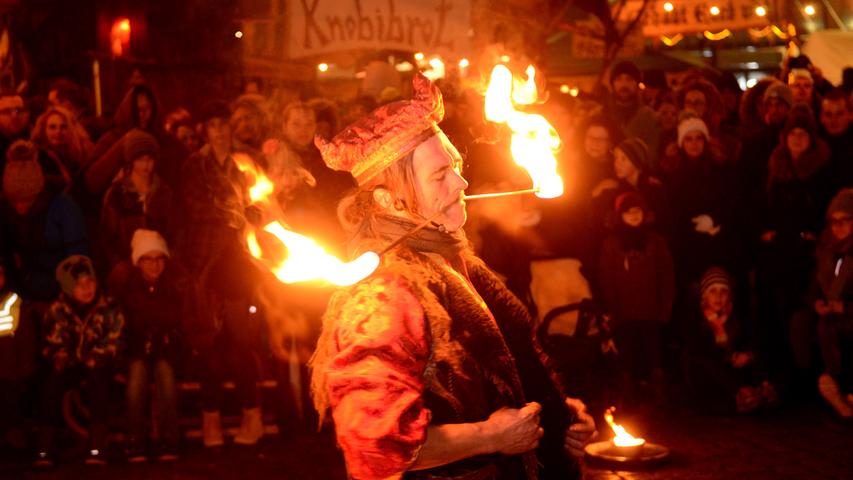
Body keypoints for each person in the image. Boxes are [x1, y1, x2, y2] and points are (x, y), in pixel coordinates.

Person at [310, 73, 595, 480]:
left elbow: (496, 371)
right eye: (439, 176)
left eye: (456, 167)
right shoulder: (383, 295)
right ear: (389, 201)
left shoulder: (448, 256)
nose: (461, 184)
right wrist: (488, 437)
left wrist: (557, 414)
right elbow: (374, 448)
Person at [179, 100, 264, 447]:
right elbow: (194, 207)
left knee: (242, 345)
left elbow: (257, 204)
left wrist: (251, 214)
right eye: (213, 126)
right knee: (208, 347)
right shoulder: (194, 166)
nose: (220, 133)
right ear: (206, 131)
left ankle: (252, 417)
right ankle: (211, 421)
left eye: (224, 126)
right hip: (205, 264)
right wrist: (233, 213)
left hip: (237, 265)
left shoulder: (244, 164)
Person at [108, 230, 190, 462]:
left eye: (158, 258)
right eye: (148, 258)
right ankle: (135, 441)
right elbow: (121, 323)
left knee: (166, 378)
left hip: (165, 348)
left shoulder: (173, 287)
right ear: (138, 262)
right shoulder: (127, 288)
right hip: (135, 349)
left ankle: (169, 440)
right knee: (136, 381)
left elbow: (178, 321)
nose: (154, 264)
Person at [35, 255, 123, 467]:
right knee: (53, 384)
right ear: (68, 288)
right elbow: (51, 342)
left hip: (99, 363)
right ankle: (44, 448)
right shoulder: (58, 310)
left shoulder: (108, 307)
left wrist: (99, 355)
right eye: (79, 284)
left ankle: (97, 446)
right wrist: (62, 357)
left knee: (98, 383)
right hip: (71, 363)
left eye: (90, 282)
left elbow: (116, 338)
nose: (86, 288)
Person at [597, 192, 674, 405]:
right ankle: (628, 395)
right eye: (628, 211)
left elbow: (666, 274)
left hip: (651, 309)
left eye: (637, 210)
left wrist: (665, 307)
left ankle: (659, 395)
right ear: (619, 215)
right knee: (627, 353)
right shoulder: (612, 243)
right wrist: (611, 309)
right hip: (624, 311)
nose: (633, 215)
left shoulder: (655, 241)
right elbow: (606, 277)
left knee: (654, 352)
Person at [0, 141, 88, 303]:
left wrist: (69, 288)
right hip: (21, 283)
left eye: (27, 200)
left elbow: (77, 254)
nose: (21, 207)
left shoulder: (63, 208)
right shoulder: (4, 210)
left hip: (59, 284)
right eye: (15, 201)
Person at [791, 189, 853, 418]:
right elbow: (815, 287)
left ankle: (840, 385)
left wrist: (844, 307)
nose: (838, 227)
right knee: (812, 323)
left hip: (848, 312)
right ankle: (831, 386)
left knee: (832, 326)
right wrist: (816, 302)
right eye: (834, 221)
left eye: (844, 220)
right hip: (833, 311)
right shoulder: (826, 251)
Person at [685, 267, 775, 413]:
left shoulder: (738, 318)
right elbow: (700, 351)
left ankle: (763, 388)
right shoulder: (696, 321)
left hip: (734, 370)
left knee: (760, 352)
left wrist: (747, 356)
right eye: (713, 291)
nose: (718, 296)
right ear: (704, 296)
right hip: (712, 377)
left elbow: (752, 341)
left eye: (723, 291)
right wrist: (729, 358)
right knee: (704, 362)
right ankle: (740, 395)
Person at [100, 129, 174, 270]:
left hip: (158, 265)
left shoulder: (164, 193)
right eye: (140, 159)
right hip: (127, 265)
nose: (146, 164)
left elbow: (174, 231)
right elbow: (107, 237)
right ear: (131, 160)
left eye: (150, 159)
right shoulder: (117, 194)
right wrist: (118, 264)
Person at [608, 60, 661, 171]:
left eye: (629, 79)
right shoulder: (602, 115)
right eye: (619, 79)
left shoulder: (650, 117)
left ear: (637, 83)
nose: (624, 85)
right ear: (612, 84)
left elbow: (652, 157)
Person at [30, 105, 94, 182]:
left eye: (63, 127)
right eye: (52, 127)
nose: (58, 132)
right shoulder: (39, 156)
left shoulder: (81, 153)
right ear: (44, 130)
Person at [818, 89, 853, 189]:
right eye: (828, 114)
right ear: (821, 117)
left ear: (850, 115)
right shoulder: (813, 145)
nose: (834, 120)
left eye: (840, 114)